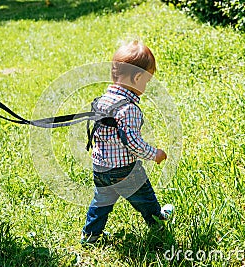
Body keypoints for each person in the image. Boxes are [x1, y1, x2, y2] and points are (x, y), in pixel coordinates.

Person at [81, 40, 173, 244]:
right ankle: (157, 222)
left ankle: (90, 235)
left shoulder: (102, 100)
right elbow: (133, 142)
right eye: (147, 81)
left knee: (101, 202)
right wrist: (154, 154)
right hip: (125, 170)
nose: (146, 86)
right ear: (138, 77)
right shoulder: (128, 108)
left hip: (101, 167)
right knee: (145, 198)